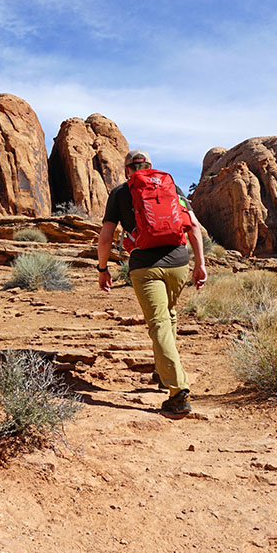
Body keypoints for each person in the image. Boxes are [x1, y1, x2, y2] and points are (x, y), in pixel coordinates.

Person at [96, 150, 207, 415]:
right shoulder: (171, 187)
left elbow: (106, 237)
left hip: (145, 267)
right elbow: (193, 226)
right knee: (169, 315)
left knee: (158, 323)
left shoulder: (120, 193)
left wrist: (102, 268)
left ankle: (178, 391)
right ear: (150, 166)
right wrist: (200, 264)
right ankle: (163, 370)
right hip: (178, 263)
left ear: (127, 170)